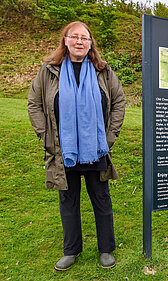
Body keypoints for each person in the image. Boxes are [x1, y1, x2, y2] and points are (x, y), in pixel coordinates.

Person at [27, 21, 125, 271]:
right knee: (68, 201)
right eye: (75, 37)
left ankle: (106, 249)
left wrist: (110, 135)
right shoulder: (49, 71)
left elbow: (119, 102)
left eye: (85, 38)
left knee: (101, 200)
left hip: (96, 149)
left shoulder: (103, 70)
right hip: (64, 149)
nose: (80, 41)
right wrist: (46, 137)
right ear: (65, 40)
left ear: (91, 44)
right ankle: (71, 251)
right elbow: (34, 104)